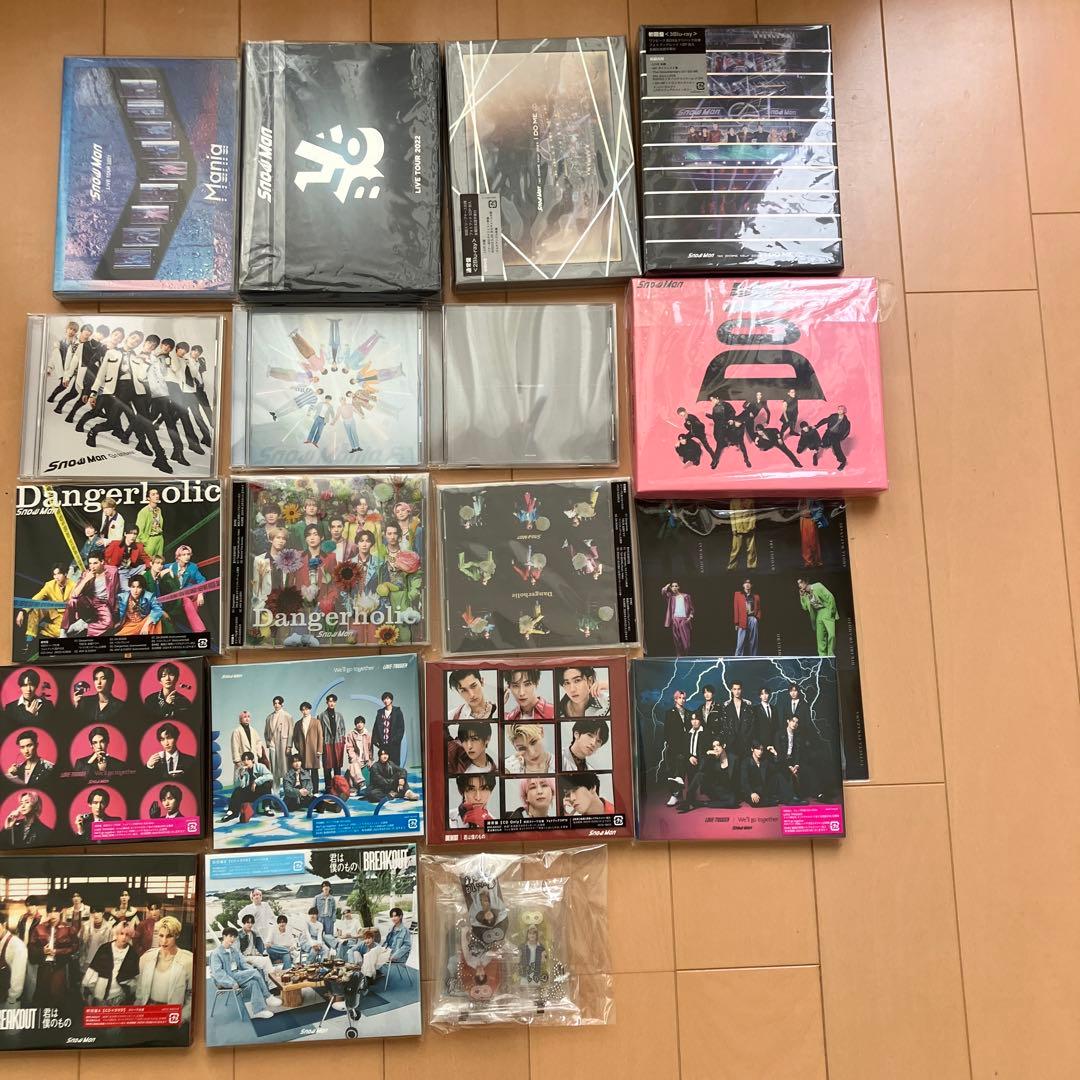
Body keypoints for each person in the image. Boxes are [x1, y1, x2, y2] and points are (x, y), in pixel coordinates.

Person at [208, 926, 279, 1019]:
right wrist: (231, 982)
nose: (233, 939)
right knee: (255, 972)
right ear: (224, 936)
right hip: (227, 979)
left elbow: (243, 964)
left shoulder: (234, 951)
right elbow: (218, 973)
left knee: (253, 982)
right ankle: (267, 996)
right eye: (230, 936)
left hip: (237, 975)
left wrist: (250, 971)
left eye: (234, 937)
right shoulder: (216, 953)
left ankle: (258, 1011)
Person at [134, 916, 193, 1022]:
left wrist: (182, 1018)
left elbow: (192, 995)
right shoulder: (146, 958)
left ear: (177, 935)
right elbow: (140, 991)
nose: (164, 941)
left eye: (169, 936)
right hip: (147, 1012)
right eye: (161, 935)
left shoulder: (188, 960)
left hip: (172, 1016)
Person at [84, 918, 140, 1005]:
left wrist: (129, 990)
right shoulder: (104, 948)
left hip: (120, 995)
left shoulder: (132, 953)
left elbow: (135, 976)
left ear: (130, 937)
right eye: (121, 933)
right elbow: (94, 968)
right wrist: (88, 987)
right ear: (116, 934)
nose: (124, 937)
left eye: (127, 935)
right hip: (100, 993)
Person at [16, 564, 75, 645]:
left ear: (65, 574)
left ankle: (43, 626)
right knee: (34, 609)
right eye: (54, 574)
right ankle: (30, 636)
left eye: (59, 574)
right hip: (51, 610)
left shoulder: (73, 585)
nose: (56, 577)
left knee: (62, 633)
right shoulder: (49, 585)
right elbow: (36, 598)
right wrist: (22, 611)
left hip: (65, 615)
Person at [62, 554, 119, 637]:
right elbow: (74, 595)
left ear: (102, 562)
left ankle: (84, 625)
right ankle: (63, 630)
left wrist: (115, 606)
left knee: (109, 624)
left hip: (103, 603)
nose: (92, 566)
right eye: (90, 563)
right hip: (89, 600)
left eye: (95, 563)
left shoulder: (113, 571)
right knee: (72, 601)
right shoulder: (86, 574)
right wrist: (86, 579)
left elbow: (116, 589)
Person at [682, 739, 739, 811]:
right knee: (699, 775)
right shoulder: (712, 759)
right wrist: (708, 755)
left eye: (718, 745)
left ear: (724, 746)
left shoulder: (734, 759)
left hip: (727, 792)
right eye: (714, 746)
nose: (715, 748)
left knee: (733, 802)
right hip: (714, 789)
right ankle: (688, 801)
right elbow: (701, 769)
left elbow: (737, 780)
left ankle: (704, 804)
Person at [220, 751, 274, 822]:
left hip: (261, 791)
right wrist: (241, 775)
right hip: (250, 793)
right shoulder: (242, 770)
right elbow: (240, 786)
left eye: (248, 759)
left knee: (267, 784)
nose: (246, 762)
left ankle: (267, 808)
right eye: (244, 760)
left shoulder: (260, 766)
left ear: (252, 760)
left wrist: (256, 782)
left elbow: (269, 776)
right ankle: (232, 812)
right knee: (237, 790)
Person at [770, 715, 812, 805]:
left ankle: (800, 795)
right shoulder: (779, 734)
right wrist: (789, 766)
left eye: (797, 722)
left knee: (807, 769)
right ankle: (790, 798)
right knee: (784, 772)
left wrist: (796, 764)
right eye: (793, 721)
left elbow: (797, 752)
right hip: (781, 760)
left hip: (792, 760)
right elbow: (779, 752)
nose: (795, 724)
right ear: (788, 721)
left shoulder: (797, 736)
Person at [290, 700, 324, 794]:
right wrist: (299, 747)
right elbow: (295, 737)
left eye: (306, 709)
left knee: (314, 772)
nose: (305, 711)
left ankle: (316, 791)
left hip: (314, 751)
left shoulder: (316, 722)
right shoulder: (298, 723)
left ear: (310, 710)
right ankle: (306, 792)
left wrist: (319, 749)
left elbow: (320, 736)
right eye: (303, 710)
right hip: (303, 752)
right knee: (304, 773)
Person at [663, 690, 690, 806]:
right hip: (674, 747)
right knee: (673, 773)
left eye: (683, 698)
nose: (682, 700)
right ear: (675, 699)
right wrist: (673, 746)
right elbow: (667, 731)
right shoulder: (670, 713)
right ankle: (674, 796)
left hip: (686, 747)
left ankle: (679, 796)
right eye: (679, 698)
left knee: (681, 773)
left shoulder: (689, 713)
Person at [798, 578, 838, 655]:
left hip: (826, 610)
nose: (800, 585)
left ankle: (830, 655)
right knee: (820, 638)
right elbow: (805, 607)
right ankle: (822, 657)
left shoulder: (817, 586)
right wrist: (802, 596)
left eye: (801, 582)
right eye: (798, 584)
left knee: (832, 635)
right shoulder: (805, 594)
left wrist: (831, 611)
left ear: (806, 582)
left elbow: (830, 597)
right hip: (818, 614)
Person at [263, 695, 294, 786]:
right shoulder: (269, 717)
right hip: (272, 745)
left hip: (283, 745)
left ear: (282, 704)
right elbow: (266, 732)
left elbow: (291, 732)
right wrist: (268, 743)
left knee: (285, 768)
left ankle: (287, 789)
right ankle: (275, 791)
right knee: (274, 768)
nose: (276, 705)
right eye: (275, 703)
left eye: (278, 703)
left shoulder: (287, 716)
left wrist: (289, 746)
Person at [231, 710, 267, 783]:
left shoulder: (253, 730)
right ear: (240, 719)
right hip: (243, 760)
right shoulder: (236, 731)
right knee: (243, 780)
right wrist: (237, 760)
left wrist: (258, 753)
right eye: (244, 717)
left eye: (248, 717)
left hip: (253, 759)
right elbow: (234, 746)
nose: (247, 719)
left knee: (254, 778)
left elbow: (258, 742)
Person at [319, 693, 347, 787]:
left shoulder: (339, 715)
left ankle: (337, 787)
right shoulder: (321, 716)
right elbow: (320, 731)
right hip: (327, 743)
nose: (332, 703)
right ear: (327, 702)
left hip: (338, 743)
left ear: (335, 703)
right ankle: (328, 787)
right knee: (327, 766)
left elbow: (343, 729)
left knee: (337, 765)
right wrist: (322, 742)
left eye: (333, 701)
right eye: (330, 701)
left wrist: (342, 740)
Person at [681, 712, 708, 805]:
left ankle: (689, 800)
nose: (694, 722)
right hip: (690, 758)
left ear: (700, 720)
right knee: (683, 763)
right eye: (692, 720)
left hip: (701, 760)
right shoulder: (688, 733)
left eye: (696, 719)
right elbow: (684, 748)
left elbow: (706, 750)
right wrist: (690, 757)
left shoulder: (705, 733)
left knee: (699, 772)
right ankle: (690, 799)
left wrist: (698, 759)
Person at [375, 907, 410, 980]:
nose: (393, 918)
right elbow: (387, 942)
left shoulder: (405, 930)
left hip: (395, 954)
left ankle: (370, 976)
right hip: (387, 951)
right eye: (392, 916)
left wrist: (395, 955)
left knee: (373, 956)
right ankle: (370, 975)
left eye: (395, 916)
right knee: (370, 953)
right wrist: (382, 948)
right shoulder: (391, 928)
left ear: (400, 916)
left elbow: (407, 946)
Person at [721, 680, 754, 757]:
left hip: (746, 742)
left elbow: (752, 723)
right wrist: (729, 739)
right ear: (731, 690)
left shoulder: (748, 705)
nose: (737, 692)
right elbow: (724, 724)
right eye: (735, 689)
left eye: (739, 689)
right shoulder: (726, 705)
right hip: (731, 743)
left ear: (741, 690)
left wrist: (747, 738)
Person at [739, 742, 778, 807]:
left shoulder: (764, 761)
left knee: (778, 776)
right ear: (752, 749)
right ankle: (771, 800)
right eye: (758, 749)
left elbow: (776, 769)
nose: (760, 752)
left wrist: (775, 754)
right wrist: (751, 793)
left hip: (763, 791)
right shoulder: (746, 762)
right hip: (751, 791)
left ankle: (788, 799)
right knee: (755, 803)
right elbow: (744, 781)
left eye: (761, 749)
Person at [661, 582, 694, 656]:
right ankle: (679, 656)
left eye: (676, 586)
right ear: (671, 588)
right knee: (677, 640)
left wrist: (690, 618)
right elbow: (663, 593)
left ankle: (686, 655)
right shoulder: (671, 597)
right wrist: (666, 587)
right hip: (675, 620)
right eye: (672, 586)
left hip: (684, 620)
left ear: (678, 587)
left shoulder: (686, 596)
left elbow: (692, 609)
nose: (674, 587)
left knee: (686, 642)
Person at [0, 920, 28, 1005]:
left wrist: (12, 998)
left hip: (8, 1000)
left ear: (4, 925)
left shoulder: (17, 945)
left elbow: (18, 977)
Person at [733, 578, 762, 656]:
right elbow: (736, 608)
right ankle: (738, 657)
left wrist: (757, 618)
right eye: (745, 583)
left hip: (752, 619)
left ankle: (753, 657)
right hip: (742, 619)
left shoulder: (756, 596)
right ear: (743, 585)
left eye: (749, 583)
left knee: (753, 640)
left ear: (751, 585)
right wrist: (736, 623)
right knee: (740, 641)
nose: (747, 584)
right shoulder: (738, 594)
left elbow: (759, 609)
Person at [727, 498, 758, 570]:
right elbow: (732, 515)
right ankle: (732, 567)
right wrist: (734, 528)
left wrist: (752, 525)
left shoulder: (750, 500)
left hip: (749, 526)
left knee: (751, 548)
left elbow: (753, 514)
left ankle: (752, 566)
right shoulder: (733, 501)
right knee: (735, 549)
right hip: (738, 528)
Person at [344, 715, 372, 790]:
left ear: (364, 724)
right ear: (355, 725)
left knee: (351, 768)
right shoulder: (351, 734)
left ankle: (353, 788)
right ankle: (361, 783)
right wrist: (353, 758)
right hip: (355, 759)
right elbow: (349, 748)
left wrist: (370, 759)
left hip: (365, 760)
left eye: (361, 723)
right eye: (357, 723)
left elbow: (370, 748)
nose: (359, 725)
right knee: (353, 765)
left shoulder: (367, 734)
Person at [135, 488, 165, 558]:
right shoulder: (144, 512)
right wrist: (146, 542)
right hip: (150, 539)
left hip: (159, 538)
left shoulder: (158, 510)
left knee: (159, 560)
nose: (156, 496)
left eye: (157, 494)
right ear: (148, 498)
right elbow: (139, 530)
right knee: (149, 560)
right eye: (153, 494)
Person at [798, 499, 823, 567]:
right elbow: (799, 507)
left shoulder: (813, 496)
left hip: (811, 519)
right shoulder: (800, 497)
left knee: (813, 541)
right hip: (803, 519)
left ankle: (817, 561)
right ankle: (808, 562)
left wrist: (815, 518)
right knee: (805, 541)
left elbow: (821, 507)